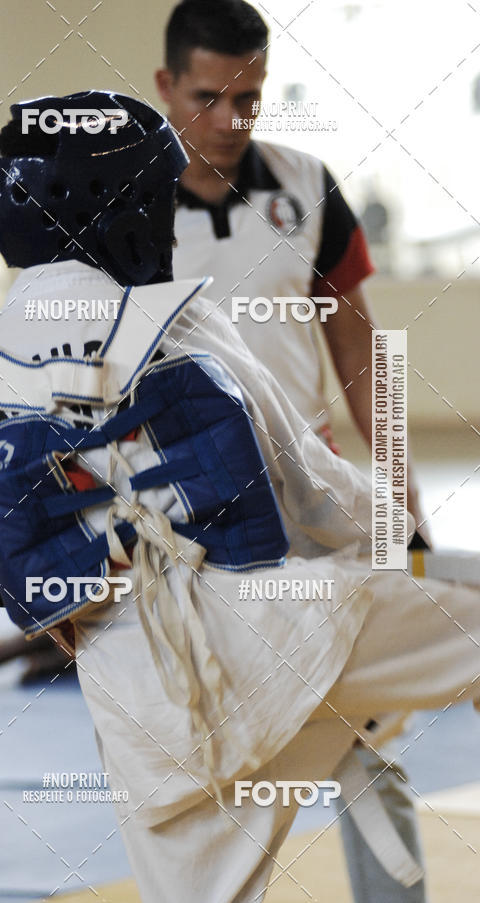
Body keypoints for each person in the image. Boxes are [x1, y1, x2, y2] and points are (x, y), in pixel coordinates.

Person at [0, 91, 479, 903]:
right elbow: (318, 495)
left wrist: (55, 584)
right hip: (291, 636)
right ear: (133, 207)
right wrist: (402, 535)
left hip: (143, 706)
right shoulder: (183, 325)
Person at [156, 1, 430, 899]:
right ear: (166, 87)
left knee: (364, 711)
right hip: (183, 518)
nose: (232, 120)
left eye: (252, 97)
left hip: (308, 492)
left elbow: (359, 352)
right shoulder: (115, 205)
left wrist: (402, 496)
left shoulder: (306, 186)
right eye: (210, 97)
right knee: (206, 746)